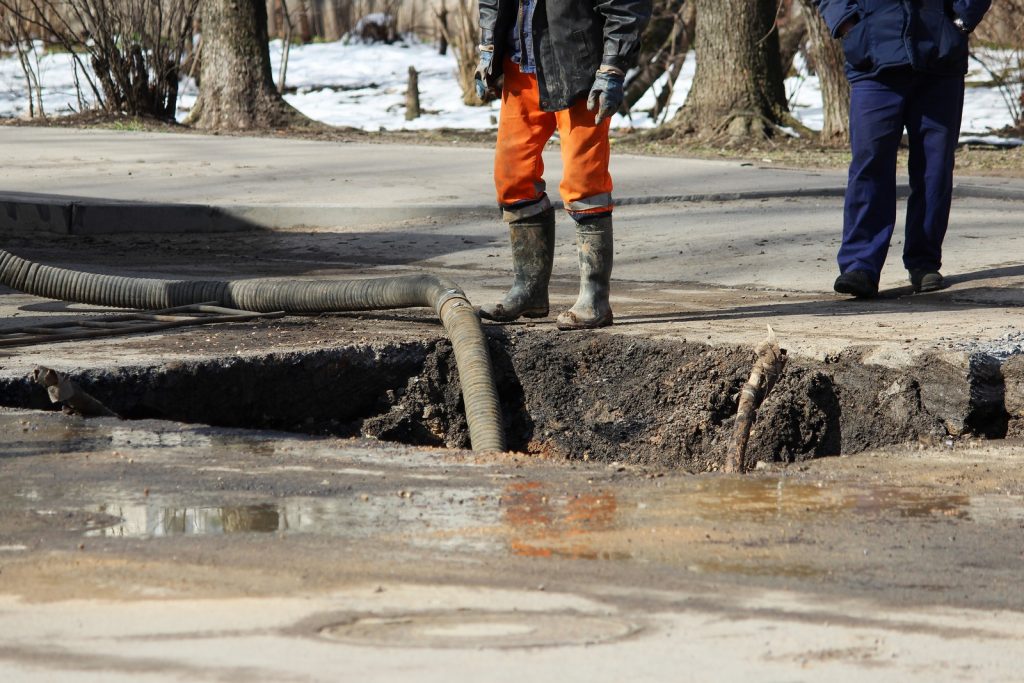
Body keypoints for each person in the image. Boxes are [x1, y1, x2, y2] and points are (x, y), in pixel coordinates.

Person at [475, 0, 651, 329]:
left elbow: (627, 7)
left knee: (585, 181)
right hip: (521, 67)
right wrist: (488, 45)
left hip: (579, 69)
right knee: (512, 177)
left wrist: (611, 68)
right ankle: (529, 291)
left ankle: (595, 299)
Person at [813, 0, 991, 298]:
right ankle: (860, 266)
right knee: (870, 164)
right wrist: (849, 23)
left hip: (939, 56)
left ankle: (924, 263)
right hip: (873, 59)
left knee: (934, 170)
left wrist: (962, 18)